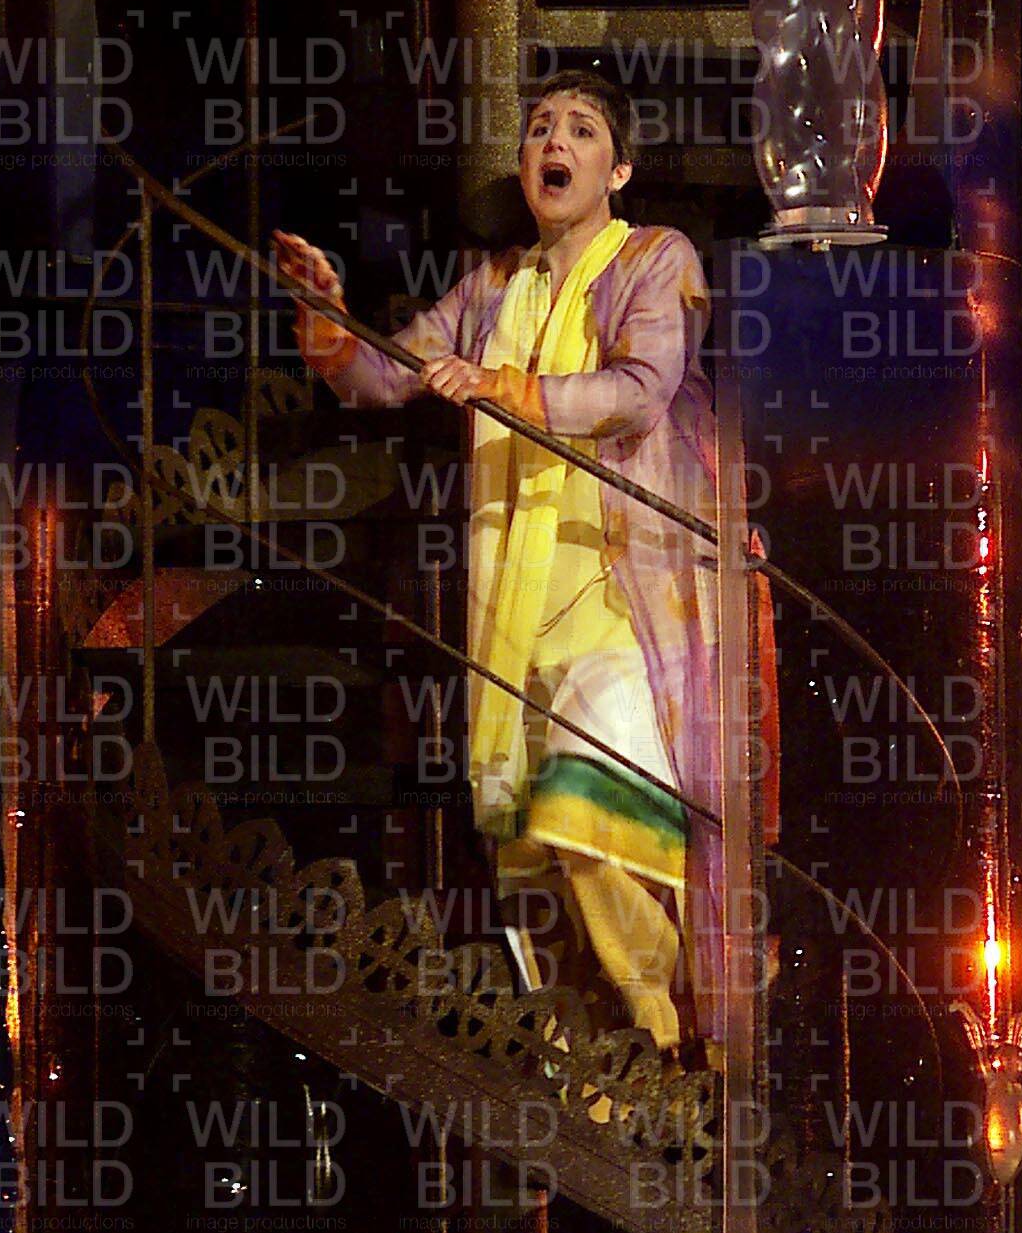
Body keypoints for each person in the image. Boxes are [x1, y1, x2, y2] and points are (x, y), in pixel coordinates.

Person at [273, 70, 724, 1068]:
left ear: (619, 168)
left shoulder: (654, 258)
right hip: (515, 609)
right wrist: (325, 317)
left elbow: (638, 390)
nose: (552, 141)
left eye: (580, 129)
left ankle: (689, 1013)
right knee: (539, 855)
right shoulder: (492, 286)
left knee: (590, 815)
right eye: (538, 128)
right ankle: (615, 1060)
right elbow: (381, 375)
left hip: (620, 593)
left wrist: (499, 385)